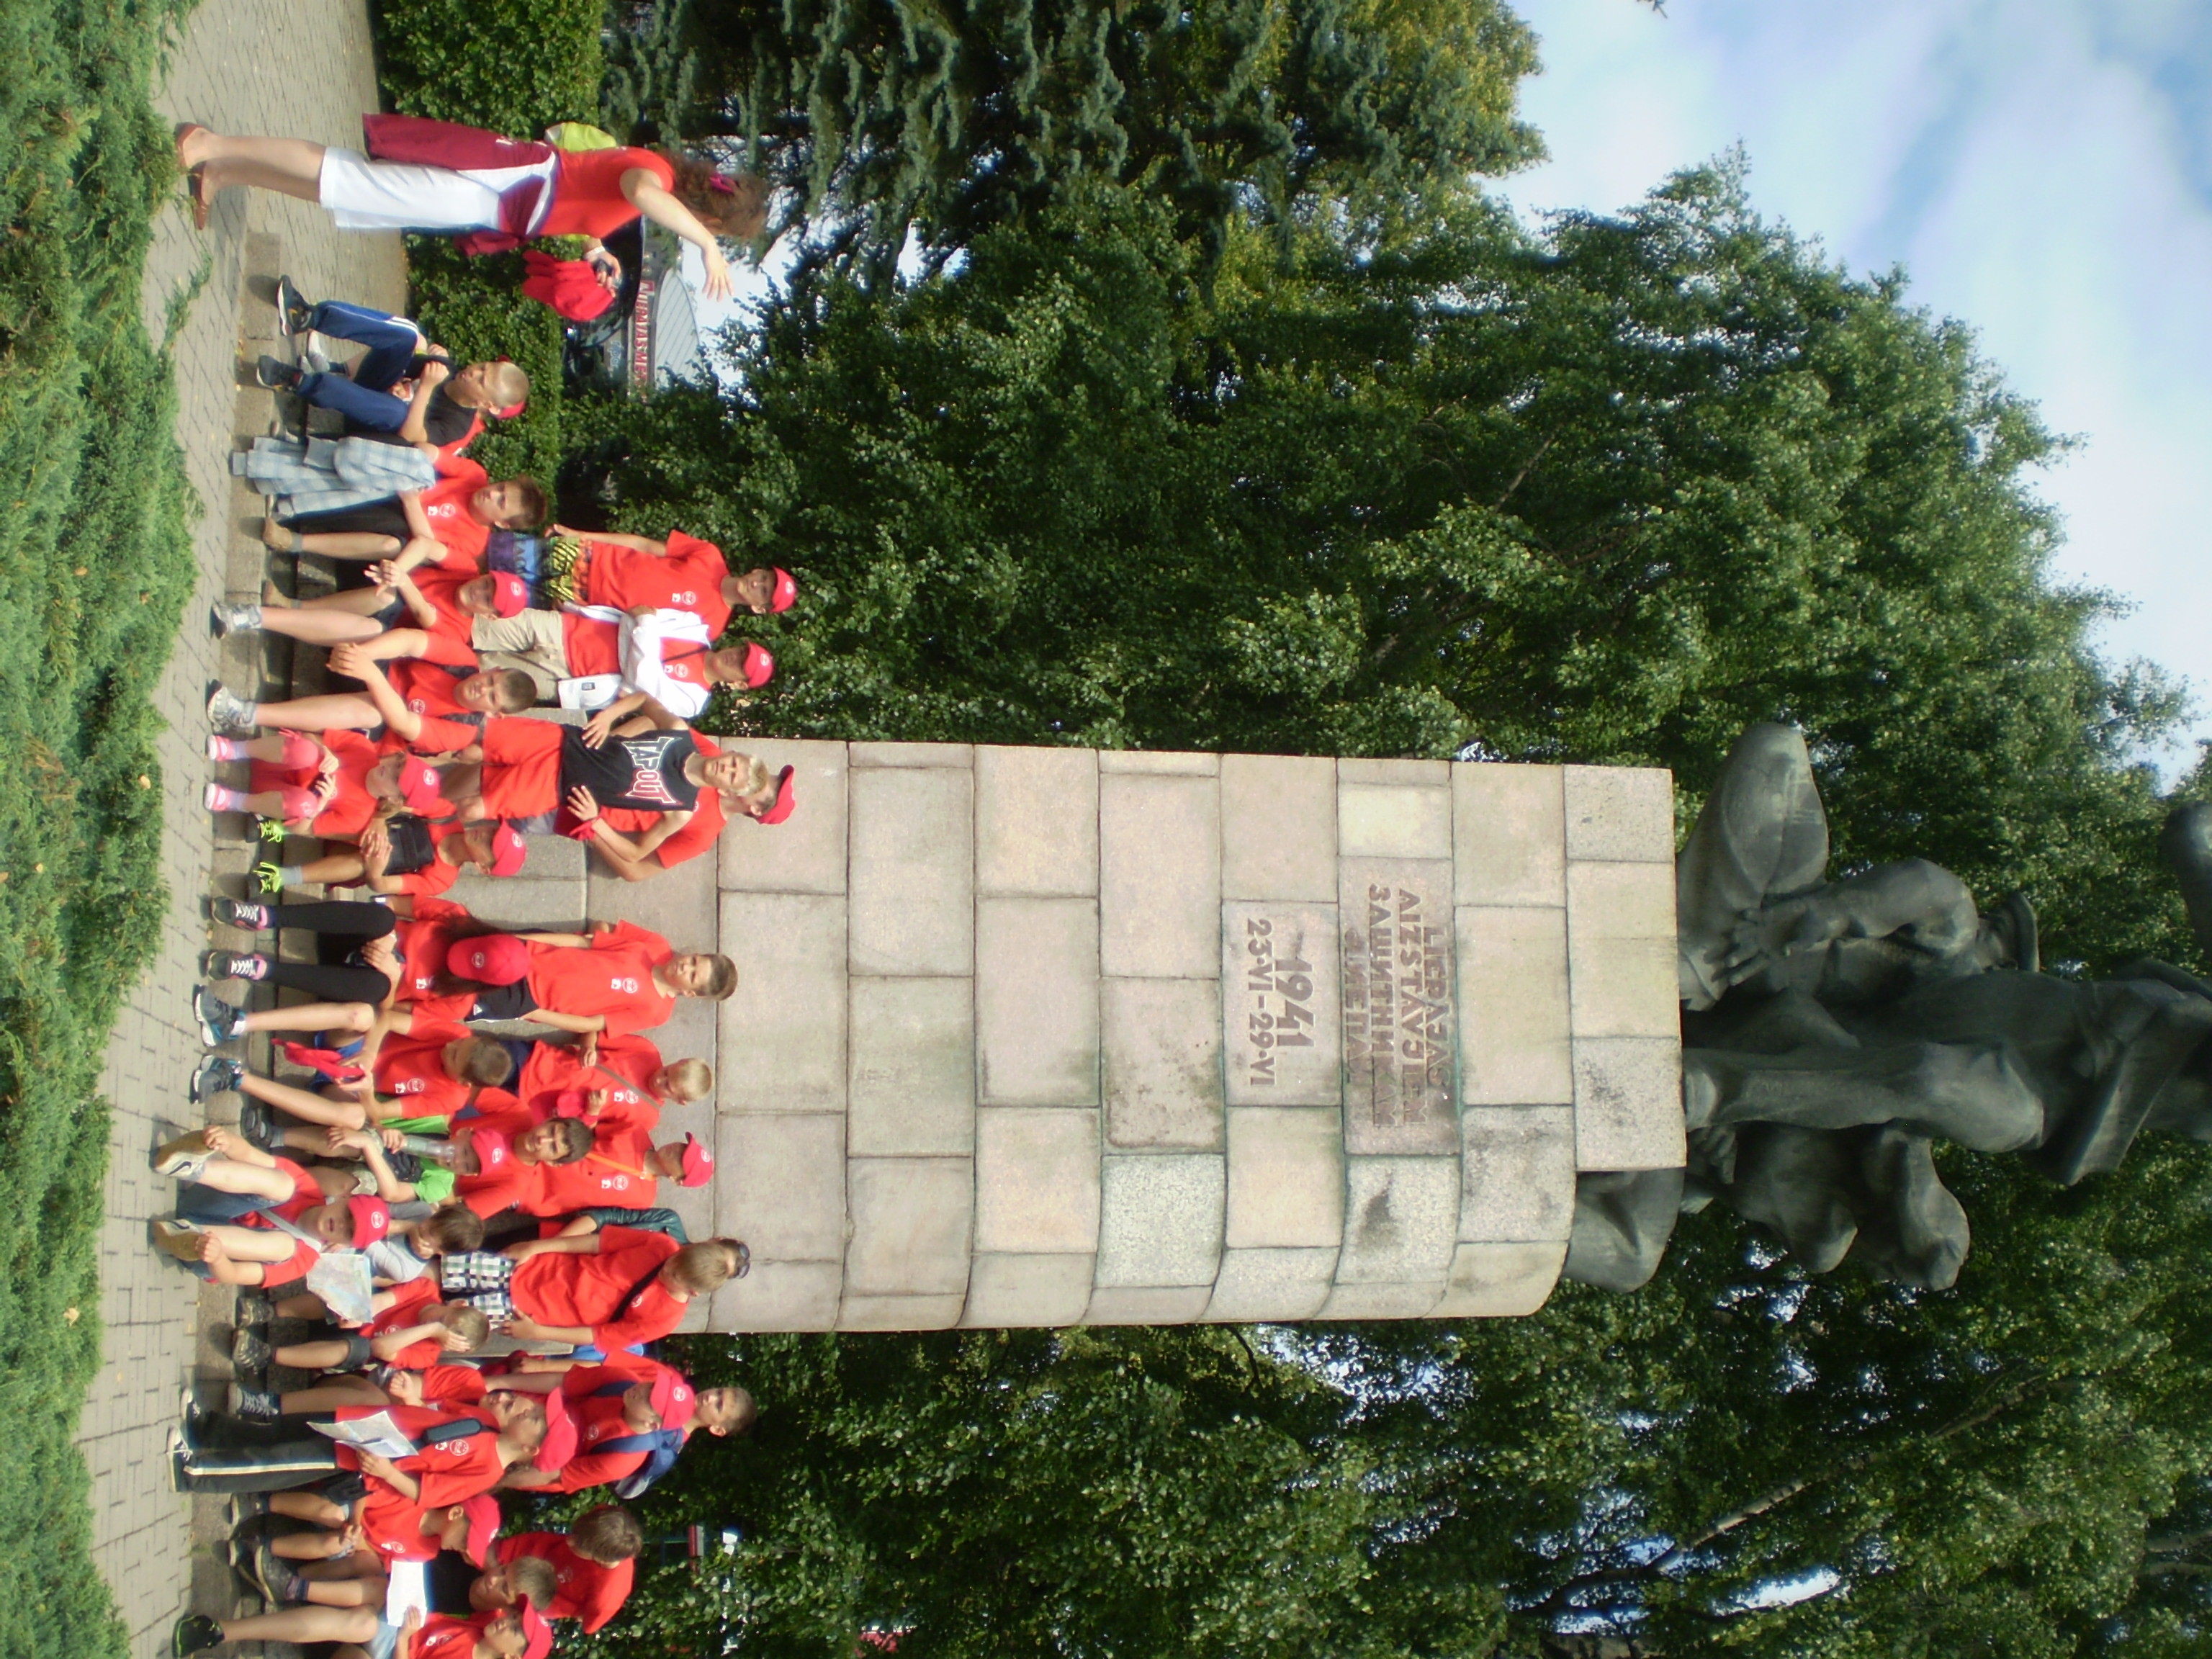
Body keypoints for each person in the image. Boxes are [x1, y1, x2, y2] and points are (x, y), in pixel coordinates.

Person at [174, 117, 764, 302]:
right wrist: (706, 246)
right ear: (711, 216)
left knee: (350, 195)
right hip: (496, 187)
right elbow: (639, 192)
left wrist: (596, 249)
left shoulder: (656, 186)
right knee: (349, 178)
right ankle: (211, 144)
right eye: (715, 231)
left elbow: (587, 205)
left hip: (497, 203)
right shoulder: (656, 177)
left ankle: (225, 171)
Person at [444, 705, 786, 868]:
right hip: (574, 753)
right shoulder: (708, 754)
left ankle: (429, 817)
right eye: (735, 763)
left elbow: (638, 866)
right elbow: (651, 718)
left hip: (567, 806)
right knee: (476, 753)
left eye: (769, 788)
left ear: (754, 805)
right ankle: (424, 774)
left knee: (476, 805)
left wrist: (594, 827)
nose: (731, 769)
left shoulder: (700, 830)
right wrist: (607, 746)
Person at [258, 277, 526, 450]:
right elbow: (401, 364)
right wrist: (403, 384)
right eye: (483, 367)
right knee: (407, 335)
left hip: (366, 427)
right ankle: (308, 317)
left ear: (489, 406)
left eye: (481, 380)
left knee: (399, 415)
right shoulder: (447, 368)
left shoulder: (457, 425)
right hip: (370, 388)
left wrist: (424, 389)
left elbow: (411, 435)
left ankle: (297, 382)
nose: (473, 371)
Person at [150, 1125, 390, 1289]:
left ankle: (187, 1235)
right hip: (207, 1202)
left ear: (346, 1244)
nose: (341, 1224)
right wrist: (226, 1141)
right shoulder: (307, 1189)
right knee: (284, 1184)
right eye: (348, 1215)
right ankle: (188, 1166)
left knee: (285, 1246)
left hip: (205, 1255)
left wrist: (216, 1256)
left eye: (349, 1232)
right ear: (343, 1198)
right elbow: (249, 1154)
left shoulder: (304, 1259)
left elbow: (233, 1275)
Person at [439, 1223, 747, 1347]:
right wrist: (536, 1247)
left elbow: (599, 1337)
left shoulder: (664, 1319)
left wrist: (538, 1333)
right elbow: (597, 1243)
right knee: (448, 1266)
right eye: (674, 1261)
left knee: (450, 1323)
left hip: (532, 1313)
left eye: (675, 1276)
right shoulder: (663, 1245)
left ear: (692, 1292)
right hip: (539, 1268)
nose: (667, 1268)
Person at [428, 920, 737, 1036]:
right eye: (694, 960)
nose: (685, 966)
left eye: (692, 975)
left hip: (531, 998)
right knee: (458, 950)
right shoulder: (649, 947)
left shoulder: (656, 1013)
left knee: (449, 999)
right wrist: (526, 941)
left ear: (691, 993)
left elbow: (592, 1024)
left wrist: (533, 1012)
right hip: (529, 954)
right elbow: (584, 942)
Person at [497, 1354, 751, 1495]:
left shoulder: (626, 1455)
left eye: (719, 1405)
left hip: (528, 1454)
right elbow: (595, 1368)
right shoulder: (636, 1382)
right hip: (529, 1406)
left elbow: (554, 1474)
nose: (710, 1397)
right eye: (719, 1392)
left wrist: (492, 1477)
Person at [464, 603, 774, 715]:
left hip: (566, 677)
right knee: (475, 624)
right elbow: (637, 611)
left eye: (741, 666)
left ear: (739, 684)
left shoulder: (692, 701)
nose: (735, 657)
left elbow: (644, 681)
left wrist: (641, 630)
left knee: (474, 675)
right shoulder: (694, 626)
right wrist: (637, 663)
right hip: (566, 628)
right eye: (741, 652)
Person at [551, 523, 796, 631]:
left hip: (581, 597)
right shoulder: (710, 554)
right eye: (764, 578)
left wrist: (577, 616)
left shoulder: (709, 627)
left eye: (764, 591)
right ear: (758, 570)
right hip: (585, 554)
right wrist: (581, 535)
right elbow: (643, 545)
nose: (757, 583)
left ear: (759, 608)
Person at [492, 1503, 645, 1633]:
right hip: (536, 1550)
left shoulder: (607, 1596)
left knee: (493, 1596)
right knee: (487, 1558)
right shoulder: (608, 1520)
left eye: (578, 1544)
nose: (569, 1541)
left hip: (533, 1596)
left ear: (601, 1559)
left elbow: (589, 1626)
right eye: (574, 1535)